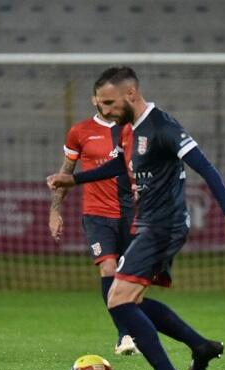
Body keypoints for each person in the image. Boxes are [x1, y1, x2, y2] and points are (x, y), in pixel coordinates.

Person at [48, 66, 225, 370]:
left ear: (131, 94)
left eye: (110, 103)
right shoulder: (126, 130)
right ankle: (200, 346)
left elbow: (207, 168)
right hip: (149, 224)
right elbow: (120, 167)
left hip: (164, 226)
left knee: (117, 299)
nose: (105, 111)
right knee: (130, 301)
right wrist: (76, 180)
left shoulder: (163, 127)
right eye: (100, 104)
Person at [49, 92, 140, 355]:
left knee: (131, 277)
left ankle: (134, 330)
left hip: (130, 214)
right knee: (108, 268)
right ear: (94, 100)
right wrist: (55, 211)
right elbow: (66, 174)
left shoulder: (131, 130)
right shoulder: (80, 132)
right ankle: (124, 335)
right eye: (104, 100)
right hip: (96, 214)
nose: (110, 105)